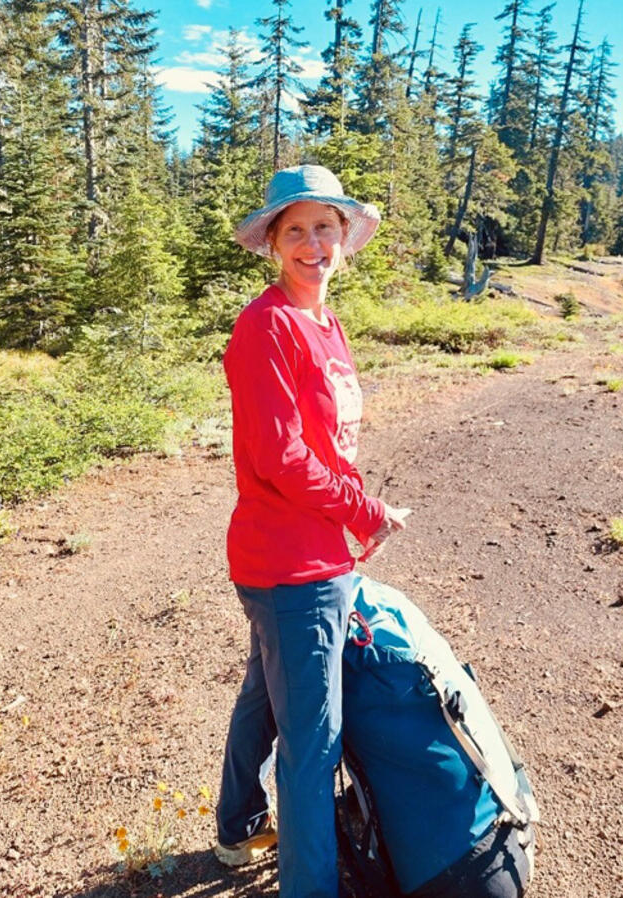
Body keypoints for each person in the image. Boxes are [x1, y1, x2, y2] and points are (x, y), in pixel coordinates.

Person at [213, 164, 413, 898]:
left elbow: (329, 446)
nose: (311, 244)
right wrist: (362, 512)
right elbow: (281, 456)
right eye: (294, 229)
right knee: (313, 742)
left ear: (343, 237)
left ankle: (238, 829)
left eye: (324, 227)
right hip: (290, 564)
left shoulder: (325, 325)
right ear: (273, 243)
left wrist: (363, 507)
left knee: (267, 696)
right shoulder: (266, 325)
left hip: (308, 554)